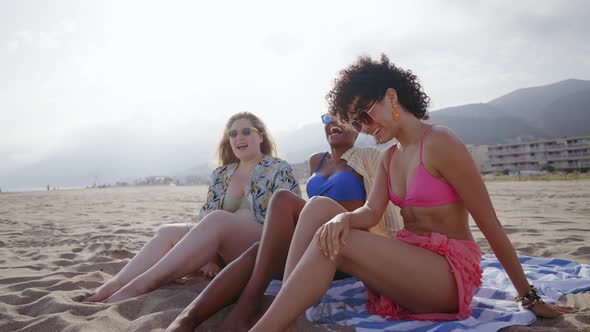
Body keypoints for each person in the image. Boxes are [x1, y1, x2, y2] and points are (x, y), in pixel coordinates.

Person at [249, 55, 574, 331]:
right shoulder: (390, 157)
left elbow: (489, 223)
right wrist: (343, 218)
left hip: (448, 274)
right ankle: (284, 309)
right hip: (410, 264)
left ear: (392, 97)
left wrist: (529, 296)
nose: (364, 126)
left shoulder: (439, 142)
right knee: (320, 209)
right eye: (356, 121)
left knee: (336, 239)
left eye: (365, 113)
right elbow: (371, 213)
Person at [166, 113, 401, 332]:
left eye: (342, 116)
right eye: (328, 117)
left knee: (282, 199)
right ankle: (187, 319)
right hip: (315, 237)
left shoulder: (370, 157)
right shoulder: (317, 161)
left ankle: (246, 307)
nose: (333, 122)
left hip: (346, 242)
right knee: (259, 251)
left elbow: (381, 214)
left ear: (358, 124)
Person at [82, 112, 300, 303]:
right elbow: (206, 216)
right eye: (232, 134)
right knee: (168, 231)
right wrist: (211, 258)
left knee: (219, 219)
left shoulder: (277, 168)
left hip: (261, 246)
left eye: (246, 131)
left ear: (260, 136)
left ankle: (140, 286)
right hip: (223, 245)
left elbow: (286, 220)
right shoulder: (222, 174)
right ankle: (114, 284)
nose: (239, 137)